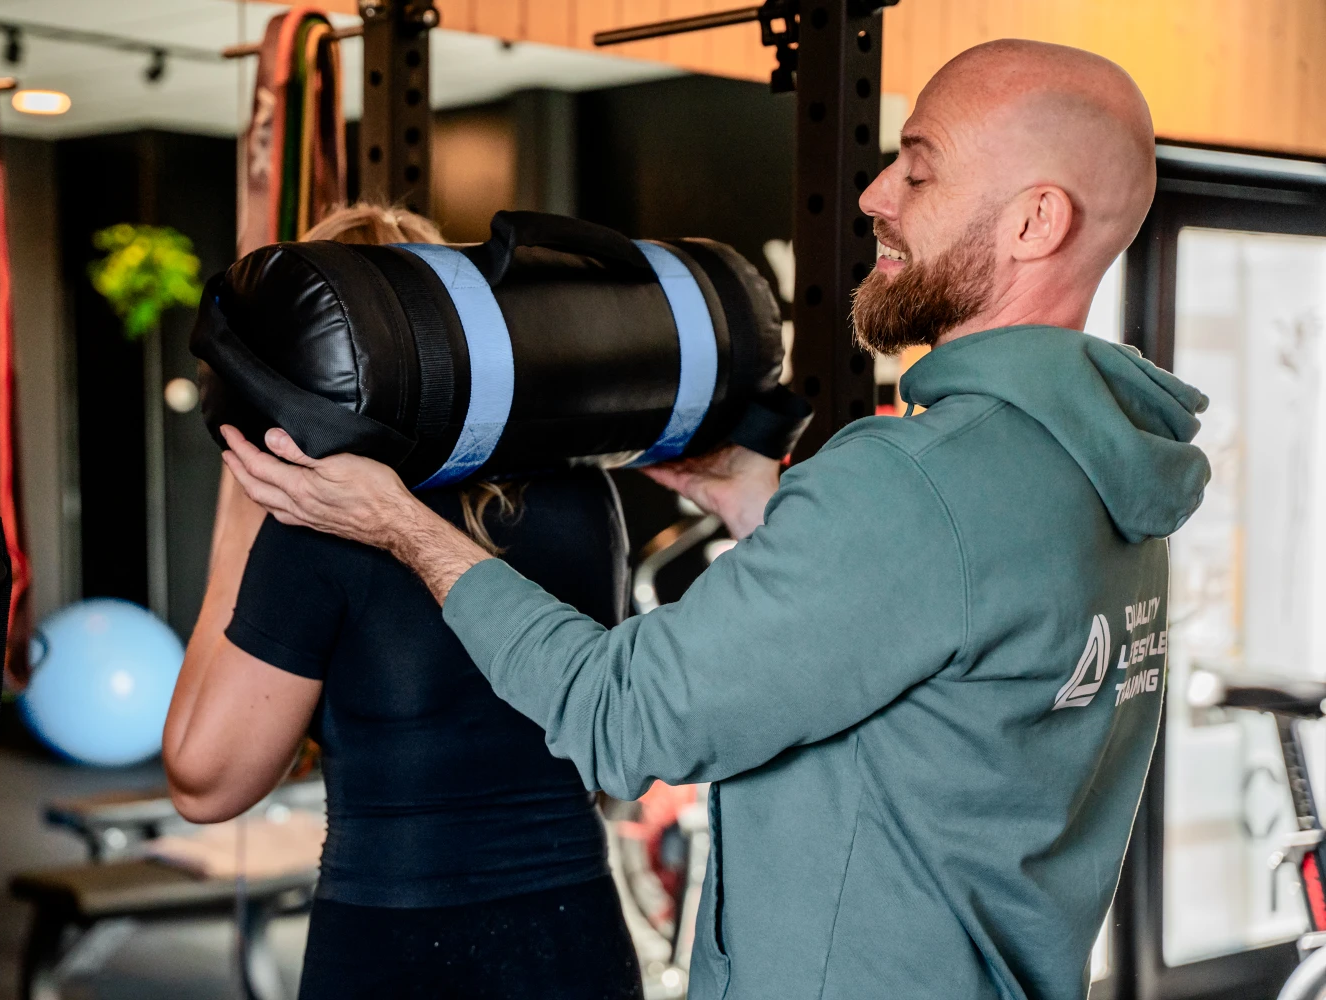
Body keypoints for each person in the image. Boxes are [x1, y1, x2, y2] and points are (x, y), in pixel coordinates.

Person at [220, 40, 1212, 1000]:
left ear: (1036, 221)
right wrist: (760, 503)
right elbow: (955, 620)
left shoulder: (909, 483)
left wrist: (403, 526)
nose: (874, 195)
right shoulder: (1097, 470)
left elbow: (622, 719)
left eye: (918, 171)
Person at [163, 204, 643, 1000]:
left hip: (397, 950)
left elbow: (205, 782)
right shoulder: (586, 493)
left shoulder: (319, 530)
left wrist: (245, 520)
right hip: (577, 941)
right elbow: (607, 765)